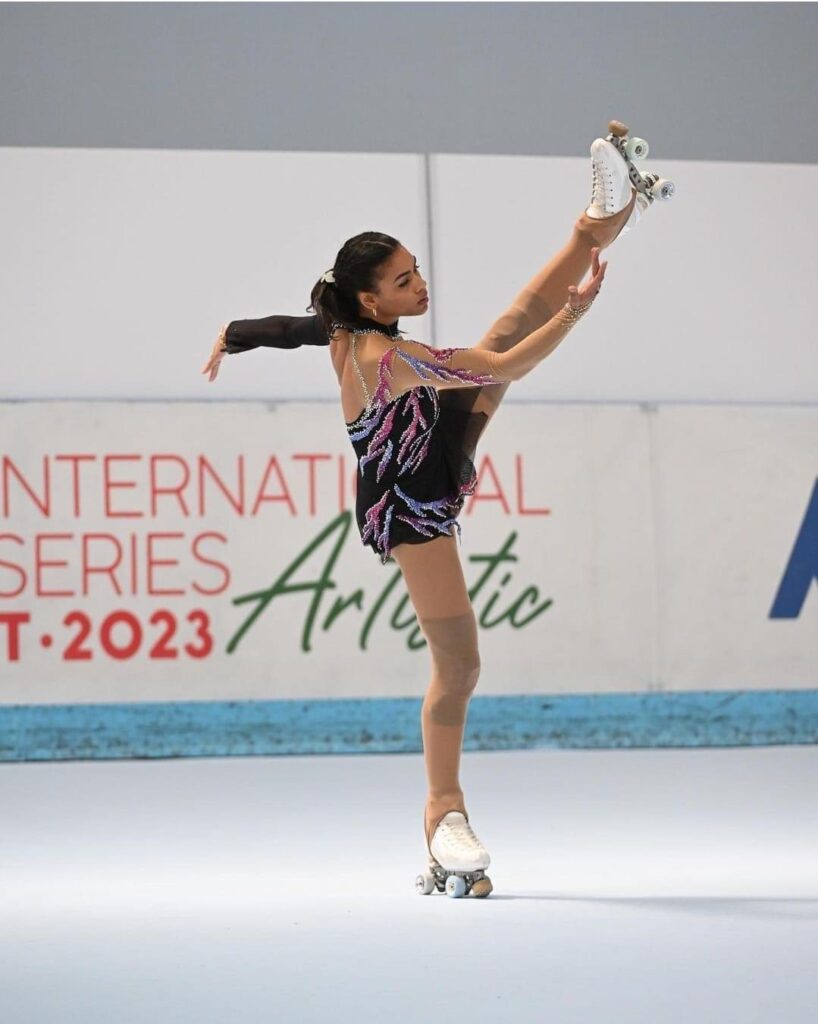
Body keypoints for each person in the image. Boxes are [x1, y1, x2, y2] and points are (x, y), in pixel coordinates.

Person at [201, 134, 652, 897]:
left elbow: (291, 326)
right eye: (405, 280)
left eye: (417, 270)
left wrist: (234, 336)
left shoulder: (345, 327)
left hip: (427, 450)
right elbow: (503, 370)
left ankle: (595, 224)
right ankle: (442, 814)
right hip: (411, 508)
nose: (422, 284)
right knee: (461, 663)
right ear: (372, 299)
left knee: (508, 323)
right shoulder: (388, 358)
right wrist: (577, 313)